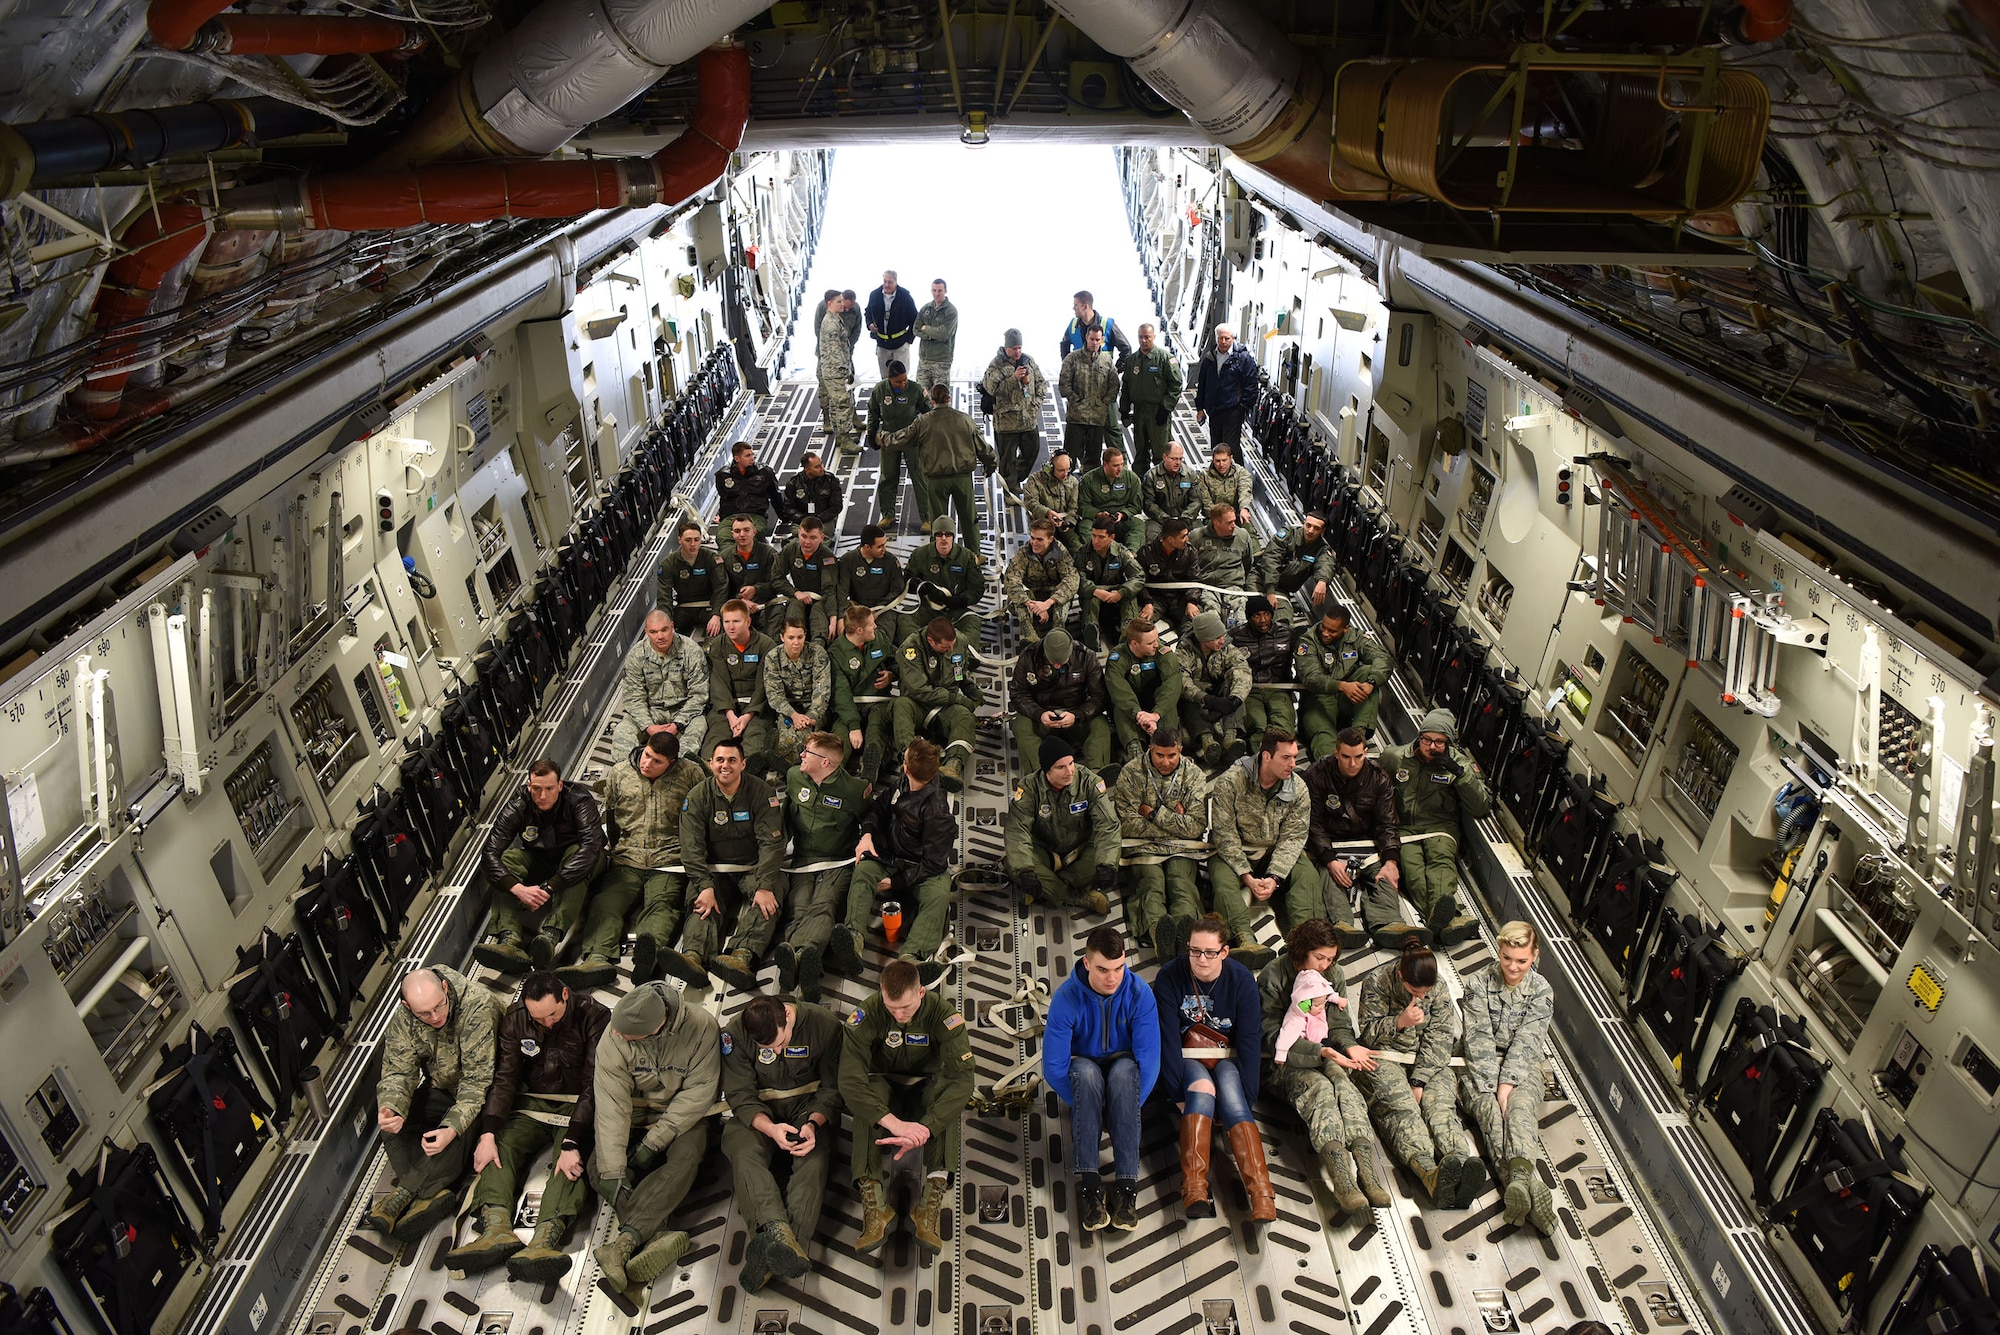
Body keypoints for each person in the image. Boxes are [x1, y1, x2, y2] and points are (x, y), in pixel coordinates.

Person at [448, 973, 611, 1278]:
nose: (547, 1023)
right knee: (500, 1147)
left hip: (579, 1104)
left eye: (552, 1014)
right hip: (533, 1101)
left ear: (566, 994)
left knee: (570, 1163)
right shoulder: (517, 1019)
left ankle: (543, 1241)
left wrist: (573, 1141)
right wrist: (488, 1131)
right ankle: (496, 1230)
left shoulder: (594, 1017)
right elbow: (506, 1077)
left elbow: (593, 1084)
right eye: (539, 1018)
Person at [838, 958, 975, 1255]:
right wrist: (893, 1123)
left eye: (906, 1008)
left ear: (921, 992)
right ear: (881, 993)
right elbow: (849, 1080)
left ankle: (928, 1206)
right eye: (891, 1008)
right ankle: (875, 1207)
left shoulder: (943, 1015)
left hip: (926, 1086)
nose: (899, 1015)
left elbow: (963, 1081)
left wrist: (927, 1127)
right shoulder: (867, 1014)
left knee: (948, 1106)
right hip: (885, 1088)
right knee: (865, 1098)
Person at [591, 983, 721, 1292]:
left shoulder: (702, 1027)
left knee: (686, 1160)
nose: (618, 1036)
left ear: (655, 1028)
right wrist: (613, 1169)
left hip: (686, 1117)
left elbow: (699, 1092)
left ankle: (624, 1243)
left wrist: (653, 1144)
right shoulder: (614, 1036)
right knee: (599, 1166)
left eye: (627, 1035)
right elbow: (612, 1106)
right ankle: (657, 1234)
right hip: (638, 1115)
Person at [1256, 920, 1386, 1217]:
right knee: (1321, 1090)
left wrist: (1348, 1045)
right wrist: (1321, 1051)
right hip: (1283, 1061)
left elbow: (1339, 1025)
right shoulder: (1273, 975)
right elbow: (1270, 1035)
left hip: (1325, 1053)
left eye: (1331, 958)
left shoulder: (1333, 975)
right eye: (1320, 958)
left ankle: (1367, 1169)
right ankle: (1342, 1179)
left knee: (1344, 1085)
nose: (1326, 965)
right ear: (1301, 951)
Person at [1151, 915, 1271, 1222]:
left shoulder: (1241, 979)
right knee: (1202, 1093)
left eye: (1209, 952)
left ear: (1224, 952)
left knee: (1233, 1100)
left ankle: (1261, 1195)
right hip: (1187, 1054)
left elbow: (1248, 1039)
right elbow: (1164, 1037)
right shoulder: (1169, 976)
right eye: (1194, 951)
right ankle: (1194, 1189)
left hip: (1226, 1055)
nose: (1201, 959)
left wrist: (1249, 1094)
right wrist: (1177, 1090)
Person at [722, 994, 845, 1291]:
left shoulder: (824, 1026)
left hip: (807, 1109)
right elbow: (739, 1095)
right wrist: (770, 1128)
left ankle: (778, 1253)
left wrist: (813, 1124)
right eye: (769, 1049)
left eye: (782, 1042)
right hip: (759, 1116)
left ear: (788, 1015)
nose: (777, 1051)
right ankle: (777, 1233)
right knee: (743, 1153)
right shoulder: (734, 1034)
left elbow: (834, 1086)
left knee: (813, 1161)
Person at [368, 967, 501, 1240]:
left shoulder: (477, 1006)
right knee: (393, 1126)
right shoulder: (404, 1019)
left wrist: (451, 1128)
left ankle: (404, 1194)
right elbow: (398, 1071)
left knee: (460, 1130)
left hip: (488, 1091)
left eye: (439, 1006)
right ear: (407, 1006)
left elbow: (477, 1083)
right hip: (443, 1087)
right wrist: (392, 1107)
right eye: (424, 1014)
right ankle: (433, 1189)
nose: (435, 1016)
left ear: (444, 986)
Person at [565, 731, 704, 989]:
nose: (647, 764)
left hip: (669, 858)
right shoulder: (620, 772)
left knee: (662, 906)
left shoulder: (691, 774)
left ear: (671, 762)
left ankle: (647, 956)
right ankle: (597, 959)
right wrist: (613, 849)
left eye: (656, 761)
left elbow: (700, 813)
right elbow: (610, 814)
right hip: (627, 857)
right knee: (606, 903)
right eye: (647, 755)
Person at [1044, 926, 1160, 1231]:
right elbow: (1054, 1068)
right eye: (1103, 969)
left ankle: (1126, 1190)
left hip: (1124, 1068)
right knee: (1085, 1073)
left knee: (1125, 1073)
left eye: (1119, 967)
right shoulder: (1066, 999)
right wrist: (1088, 1106)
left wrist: (1126, 1107)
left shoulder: (1140, 994)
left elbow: (1149, 1063)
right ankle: (1091, 1188)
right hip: (1085, 1068)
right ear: (1086, 963)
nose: (1113, 977)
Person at [1353, 941, 1483, 1208]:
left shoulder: (1439, 988)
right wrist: (1399, 1022)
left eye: (1426, 991)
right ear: (1401, 975)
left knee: (1440, 1108)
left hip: (1429, 1061)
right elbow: (1368, 1034)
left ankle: (1457, 1165)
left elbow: (1441, 1037)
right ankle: (1428, 1172)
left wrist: (1419, 1080)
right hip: (1385, 1056)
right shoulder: (1377, 982)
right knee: (1402, 1108)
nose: (1421, 997)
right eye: (1414, 991)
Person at [1459, 920, 1559, 1235]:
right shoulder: (1477, 983)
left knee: (1519, 1113)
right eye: (1506, 958)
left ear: (1534, 956)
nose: (1513, 967)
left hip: (1523, 1066)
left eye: (1521, 961)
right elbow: (1478, 1041)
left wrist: (1508, 1085)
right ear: (1498, 951)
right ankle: (1527, 1185)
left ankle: (1518, 1184)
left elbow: (1528, 1041)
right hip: (1479, 1065)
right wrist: (1492, 1088)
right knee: (1491, 1115)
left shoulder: (1541, 990)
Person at [834, 738, 957, 982]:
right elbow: (879, 808)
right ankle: (853, 937)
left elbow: (934, 863)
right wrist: (867, 834)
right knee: (864, 871)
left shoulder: (937, 811)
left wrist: (896, 882)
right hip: (890, 855)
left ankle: (912, 958)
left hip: (921, 869)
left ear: (907, 767)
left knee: (939, 896)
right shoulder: (902, 783)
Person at [671, 736, 786, 990]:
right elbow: (691, 848)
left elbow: (772, 843)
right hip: (715, 870)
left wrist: (765, 885)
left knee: (769, 900)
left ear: (743, 764)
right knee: (701, 904)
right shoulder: (698, 796)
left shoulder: (761, 793)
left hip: (753, 867)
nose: (726, 765)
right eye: (720, 760)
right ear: (711, 764)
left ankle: (742, 956)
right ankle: (693, 957)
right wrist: (704, 885)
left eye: (732, 760)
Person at [473, 760, 606, 974]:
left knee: (576, 857)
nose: (542, 796)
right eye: (536, 789)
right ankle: (509, 939)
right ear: (528, 785)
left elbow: (591, 847)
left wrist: (549, 887)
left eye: (549, 789)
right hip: (542, 859)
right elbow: (489, 853)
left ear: (560, 786)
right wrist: (517, 888)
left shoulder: (578, 800)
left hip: (583, 861)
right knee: (507, 859)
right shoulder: (518, 805)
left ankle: (550, 936)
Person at [1208, 729, 1322, 970]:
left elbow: (1293, 837)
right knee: (1221, 879)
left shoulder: (1298, 788)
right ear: (1266, 756)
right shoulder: (1231, 781)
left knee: (1307, 875)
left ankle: (1304, 941)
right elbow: (1224, 833)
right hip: (1237, 849)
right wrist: (1247, 877)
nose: (1293, 763)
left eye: (1294, 756)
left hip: (1274, 849)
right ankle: (1243, 939)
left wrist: (1274, 877)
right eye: (1286, 757)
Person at [1379, 708, 1488, 946]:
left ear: (1448, 743)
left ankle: (1440, 918)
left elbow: (1481, 806)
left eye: (1440, 742)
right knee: (1413, 872)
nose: (1431, 746)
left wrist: (1458, 773)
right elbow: (1376, 786)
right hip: (1405, 828)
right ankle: (1447, 922)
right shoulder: (1396, 757)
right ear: (1419, 737)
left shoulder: (1459, 765)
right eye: (1426, 739)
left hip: (1440, 828)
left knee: (1440, 867)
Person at [774, 732, 870, 1004]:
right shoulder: (794, 776)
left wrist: (867, 837)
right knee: (799, 907)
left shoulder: (854, 789)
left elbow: (872, 817)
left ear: (826, 762)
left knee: (824, 904)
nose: (801, 755)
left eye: (808, 752)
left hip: (838, 860)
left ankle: (802, 954)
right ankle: (798, 959)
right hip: (802, 859)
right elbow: (786, 815)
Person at [1305, 726, 1419, 950]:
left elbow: (1387, 823)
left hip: (1367, 843)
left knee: (1384, 877)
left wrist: (1391, 860)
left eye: (1358, 757)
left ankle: (1389, 924)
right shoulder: (1317, 774)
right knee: (1330, 879)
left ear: (1365, 752)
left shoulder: (1378, 778)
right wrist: (1329, 859)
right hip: (1330, 843)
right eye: (1346, 757)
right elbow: (1313, 823)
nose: (1352, 763)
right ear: (1336, 753)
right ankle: (1342, 925)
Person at [1111, 727, 1209, 958]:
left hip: (1182, 848)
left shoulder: (1194, 775)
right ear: (1150, 750)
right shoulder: (1131, 773)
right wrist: (1177, 818)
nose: (1166, 762)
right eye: (1160, 755)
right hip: (1142, 846)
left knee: (1180, 883)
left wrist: (1153, 814)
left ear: (1180, 751)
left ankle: (1185, 939)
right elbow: (1127, 824)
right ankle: (1159, 936)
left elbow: (1195, 825)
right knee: (1151, 883)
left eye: (1172, 756)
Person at [1005, 736, 1119, 915]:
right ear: (1046, 771)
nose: (1070, 771)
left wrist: (1107, 864)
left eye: (1072, 763)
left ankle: (1048, 889)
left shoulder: (1089, 782)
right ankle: (1080, 897)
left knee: (1106, 858)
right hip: (1045, 850)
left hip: (1080, 849)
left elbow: (1108, 826)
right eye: (1060, 767)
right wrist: (1025, 870)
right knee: (1016, 866)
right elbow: (1017, 831)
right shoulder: (1029, 788)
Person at [887, 382, 1000, 552]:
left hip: (935, 481)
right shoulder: (964, 419)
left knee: (938, 522)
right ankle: (974, 555)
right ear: (949, 398)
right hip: (962, 479)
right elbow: (982, 447)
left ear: (932, 401)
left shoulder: (922, 421)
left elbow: (900, 439)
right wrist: (990, 465)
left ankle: (938, 556)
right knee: (969, 518)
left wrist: (881, 437)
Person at [893, 616, 982, 792]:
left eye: (952, 645)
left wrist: (971, 689)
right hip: (917, 704)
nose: (950, 650)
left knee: (965, 716)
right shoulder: (911, 649)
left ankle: (952, 766)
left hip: (945, 708)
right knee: (900, 705)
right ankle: (910, 759)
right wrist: (956, 699)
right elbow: (920, 690)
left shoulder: (959, 641)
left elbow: (960, 671)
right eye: (945, 647)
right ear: (930, 641)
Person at [1295, 604, 1387, 755]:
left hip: (1345, 701)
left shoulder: (1355, 637)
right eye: (1323, 627)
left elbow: (1382, 658)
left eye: (1332, 631)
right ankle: (1330, 765)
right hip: (1318, 699)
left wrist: (1371, 683)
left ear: (1346, 629)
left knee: (1368, 673)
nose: (1325, 633)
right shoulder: (1307, 642)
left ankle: (1358, 737)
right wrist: (1341, 686)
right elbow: (1311, 677)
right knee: (1324, 736)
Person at [615, 610, 709, 756]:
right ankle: (631, 770)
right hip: (651, 711)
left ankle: (679, 766)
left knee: (699, 726)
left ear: (672, 626)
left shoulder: (691, 651)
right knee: (623, 731)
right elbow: (634, 698)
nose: (660, 636)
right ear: (646, 632)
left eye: (664, 630)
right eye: (653, 632)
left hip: (683, 710)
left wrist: (678, 724)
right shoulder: (636, 655)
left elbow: (699, 694)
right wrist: (648, 726)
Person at [1175, 610, 1252, 770]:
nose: (1222, 640)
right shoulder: (1184, 651)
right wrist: (1205, 699)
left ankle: (1230, 737)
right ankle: (1206, 740)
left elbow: (1241, 670)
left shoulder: (1226, 647)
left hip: (1219, 691)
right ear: (1203, 639)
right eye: (1216, 638)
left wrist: (1235, 698)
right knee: (1185, 698)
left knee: (1235, 690)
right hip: (1199, 697)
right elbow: (1181, 680)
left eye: (1222, 635)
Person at [829, 602, 897, 781]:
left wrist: (892, 674)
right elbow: (840, 694)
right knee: (839, 741)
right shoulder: (836, 653)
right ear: (859, 630)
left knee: (877, 733)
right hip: (850, 705)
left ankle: (870, 772)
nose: (875, 625)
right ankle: (832, 776)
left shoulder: (879, 638)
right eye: (871, 624)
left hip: (878, 701)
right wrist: (853, 726)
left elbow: (896, 660)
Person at [703, 599, 776, 764]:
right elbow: (718, 683)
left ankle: (748, 768)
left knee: (756, 737)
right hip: (725, 708)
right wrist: (731, 716)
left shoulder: (766, 645)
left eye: (736, 621)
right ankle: (711, 769)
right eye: (726, 622)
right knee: (716, 736)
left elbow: (764, 685)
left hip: (757, 708)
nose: (731, 626)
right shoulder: (717, 646)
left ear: (748, 621)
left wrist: (747, 716)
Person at [1104, 616, 1183, 760]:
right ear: (1134, 644)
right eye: (1150, 643)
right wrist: (1140, 715)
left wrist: (1156, 715)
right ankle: (1135, 750)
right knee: (1121, 705)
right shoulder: (1117, 658)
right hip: (1132, 706)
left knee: (1168, 702)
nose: (1156, 645)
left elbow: (1172, 684)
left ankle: (1169, 744)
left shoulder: (1163, 653)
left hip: (1155, 701)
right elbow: (1120, 691)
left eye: (1156, 639)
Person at [865, 360, 931, 527]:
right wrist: (871, 433)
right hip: (889, 439)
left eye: (904, 380)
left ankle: (926, 518)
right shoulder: (880, 390)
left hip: (912, 439)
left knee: (919, 477)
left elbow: (929, 413)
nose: (902, 384)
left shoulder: (915, 390)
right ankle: (888, 515)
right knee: (888, 478)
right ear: (889, 379)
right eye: (898, 381)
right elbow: (873, 412)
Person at [981, 330, 1048, 489]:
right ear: (1006, 348)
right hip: (1007, 423)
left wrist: (1036, 403)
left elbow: (1040, 383)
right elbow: (992, 390)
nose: (1018, 351)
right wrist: (1013, 378)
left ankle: (1013, 479)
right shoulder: (996, 364)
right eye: (1014, 348)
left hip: (1028, 419)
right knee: (1007, 459)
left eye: (1019, 347)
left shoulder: (1028, 361)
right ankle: (1010, 489)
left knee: (1032, 452)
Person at [764, 617, 831, 769]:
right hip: (788, 710)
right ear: (782, 637)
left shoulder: (817, 653)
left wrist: (812, 716)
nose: (796, 642)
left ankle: (787, 766)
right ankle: (782, 763)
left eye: (800, 637)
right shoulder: (773, 658)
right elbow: (774, 694)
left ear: (805, 636)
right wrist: (794, 715)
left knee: (806, 738)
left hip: (814, 709)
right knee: (786, 739)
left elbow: (822, 689)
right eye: (791, 637)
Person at [904, 516, 986, 639]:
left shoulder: (966, 557)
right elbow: (907, 582)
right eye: (939, 534)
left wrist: (961, 600)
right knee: (905, 618)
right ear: (934, 536)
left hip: (955, 610)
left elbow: (977, 588)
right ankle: (916, 650)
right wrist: (918, 586)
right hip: (928, 609)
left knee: (973, 622)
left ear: (953, 536)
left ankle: (962, 653)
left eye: (948, 534)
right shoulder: (920, 555)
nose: (943, 539)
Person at [1119, 322, 1182, 477]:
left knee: (1161, 451)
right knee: (1140, 451)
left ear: (1153, 336)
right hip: (1139, 411)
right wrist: (1125, 408)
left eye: (1147, 337)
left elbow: (1176, 384)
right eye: (1140, 337)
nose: (1143, 340)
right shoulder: (1132, 360)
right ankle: (1141, 483)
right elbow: (1126, 385)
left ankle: (1163, 484)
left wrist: (1166, 407)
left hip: (1158, 412)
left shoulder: (1165, 359)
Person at [1074, 514, 1142, 652]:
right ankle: (1091, 632)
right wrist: (1095, 590)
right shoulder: (1083, 552)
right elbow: (1077, 578)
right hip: (1095, 595)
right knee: (1090, 598)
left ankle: (1128, 633)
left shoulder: (1121, 552)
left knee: (1130, 596)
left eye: (1101, 537)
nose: (1095, 541)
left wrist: (1121, 592)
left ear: (1111, 538)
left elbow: (1138, 576)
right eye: (1093, 535)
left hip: (1115, 597)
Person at [1001, 519, 1077, 642]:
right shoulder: (1024, 552)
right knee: (1019, 594)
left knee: (1064, 595)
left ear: (1050, 539)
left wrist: (1048, 603)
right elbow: (1011, 580)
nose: (1034, 543)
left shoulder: (1060, 552)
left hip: (1052, 597)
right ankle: (1029, 633)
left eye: (1039, 539)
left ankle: (1058, 632)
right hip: (1031, 597)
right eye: (1032, 538)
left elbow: (1071, 579)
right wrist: (1031, 604)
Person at [1057, 325, 1121, 471]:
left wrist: (1104, 403)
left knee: (1093, 461)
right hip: (1076, 417)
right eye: (1092, 339)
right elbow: (1064, 385)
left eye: (1097, 339)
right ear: (1086, 337)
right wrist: (1076, 400)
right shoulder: (1072, 359)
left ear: (1102, 340)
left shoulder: (1107, 361)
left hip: (1097, 418)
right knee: (1068, 459)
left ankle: (1088, 490)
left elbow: (1114, 385)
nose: (1094, 342)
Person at [833, 525, 907, 648]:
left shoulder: (890, 561)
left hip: (883, 610)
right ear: (867, 547)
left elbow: (898, 588)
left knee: (881, 639)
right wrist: (841, 617)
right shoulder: (848, 561)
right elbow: (842, 591)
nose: (884, 549)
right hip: (857, 608)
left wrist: (878, 607)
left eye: (885, 544)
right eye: (880, 546)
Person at [1232, 596, 1296, 737]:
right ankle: (1261, 757)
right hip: (1251, 690)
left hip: (1278, 688)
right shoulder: (1235, 637)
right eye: (1256, 616)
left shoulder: (1287, 633)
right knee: (1258, 725)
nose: (1263, 620)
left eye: (1266, 614)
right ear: (1249, 617)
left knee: (1283, 727)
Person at [1193, 324, 1258, 455]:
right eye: (1220, 338)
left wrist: (1241, 409)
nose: (1223, 342)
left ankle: (1238, 474)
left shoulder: (1243, 359)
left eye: (1227, 338)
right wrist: (1200, 408)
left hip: (1233, 412)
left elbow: (1252, 387)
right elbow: (1203, 384)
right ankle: (1217, 474)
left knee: (1231, 448)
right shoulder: (1209, 358)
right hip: (1214, 410)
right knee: (1216, 447)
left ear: (1233, 338)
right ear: (1216, 338)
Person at [771, 515, 838, 641]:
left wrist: (833, 618)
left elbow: (829, 590)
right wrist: (795, 592)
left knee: (820, 626)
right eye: (804, 536)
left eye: (813, 537)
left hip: (820, 600)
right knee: (794, 610)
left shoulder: (827, 558)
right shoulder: (790, 549)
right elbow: (776, 578)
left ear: (821, 538)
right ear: (798, 534)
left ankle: (818, 653)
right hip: (798, 597)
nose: (807, 542)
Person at [1190, 502, 1258, 622]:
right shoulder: (1197, 537)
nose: (1233, 525)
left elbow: (1248, 562)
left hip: (1233, 587)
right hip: (1207, 586)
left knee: (1241, 619)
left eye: (1234, 521)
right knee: (1212, 619)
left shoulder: (1242, 536)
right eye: (1229, 522)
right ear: (1216, 523)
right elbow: (1189, 564)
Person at [1134, 516, 1202, 635]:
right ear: (1170, 539)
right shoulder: (1146, 552)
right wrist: (1147, 602)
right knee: (1139, 625)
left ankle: (1185, 648)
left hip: (1179, 598)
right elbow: (1138, 581)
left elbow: (1195, 580)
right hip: (1155, 598)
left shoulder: (1190, 552)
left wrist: (1191, 601)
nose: (1187, 539)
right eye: (1183, 536)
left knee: (1196, 622)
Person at [656, 520, 723, 637]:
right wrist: (667, 623)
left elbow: (721, 588)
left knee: (722, 628)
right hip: (684, 608)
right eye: (688, 540)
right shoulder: (668, 564)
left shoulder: (711, 558)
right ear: (679, 540)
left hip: (709, 607)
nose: (693, 544)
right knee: (662, 632)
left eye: (696, 540)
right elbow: (664, 597)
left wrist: (716, 614)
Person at [1260, 509, 1336, 606]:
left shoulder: (1322, 549)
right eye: (1308, 525)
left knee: (1282, 618)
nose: (1311, 531)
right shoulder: (1288, 535)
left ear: (1323, 531)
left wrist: (1322, 581)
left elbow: (1326, 563)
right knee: (1258, 608)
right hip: (1261, 579)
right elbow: (1271, 559)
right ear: (1303, 524)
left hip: (1282, 590)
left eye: (1316, 528)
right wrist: (1270, 590)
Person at [1076, 443, 1144, 550]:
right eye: (1116, 465)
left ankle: (1131, 555)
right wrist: (1098, 514)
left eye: (1122, 464)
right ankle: (1094, 554)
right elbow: (1082, 505)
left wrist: (1123, 514)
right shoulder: (1089, 479)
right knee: (1085, 526)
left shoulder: (1131, 478)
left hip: (1121, 520)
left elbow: (1136, 506)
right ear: (1105, 464)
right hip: (1098, 520)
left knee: (1138, 525)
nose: (1120, 469)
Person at [818, 295, 861, 457]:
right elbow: (835, 352)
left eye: (843, 301)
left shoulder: (835, 319)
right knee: (843, 404)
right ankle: (845, 439)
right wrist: (846, 372)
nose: (842, 304)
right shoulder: (830, 324)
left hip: (839, 369)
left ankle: (842, 436)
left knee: (837, 404)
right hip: (837, 372)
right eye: (839, 301)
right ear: (830, 303)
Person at [720, 514, 780, 624]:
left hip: (765, 605)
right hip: (737, 607)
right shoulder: (725, 557)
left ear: (754, 532)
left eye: (746, 530)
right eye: (737, 531)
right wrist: (740, 601)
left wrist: (756, 589)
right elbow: (722, 589)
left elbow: (777, 584)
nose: (742, 535)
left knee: (778, 612)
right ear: (732, 534)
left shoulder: (769, 554)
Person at [716, 440, 781, 538]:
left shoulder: (764, 472)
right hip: (731, 516)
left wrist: (784, 518)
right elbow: (723, 497)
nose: (752, 458)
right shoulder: (723, 475)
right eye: (747, 456)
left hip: (755, 515)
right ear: (737, 458)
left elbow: (775, 497)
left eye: (752, 455)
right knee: (723, 537)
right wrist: (722, 518)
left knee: (751, 535)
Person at [1141, 441, 1204, 543]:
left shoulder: (1190, 474)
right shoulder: (1151, 476)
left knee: (1200, 536)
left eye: (1180, 459)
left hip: (1186, 519)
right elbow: (1149, 503)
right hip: (1159, 520)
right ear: (1164, 457)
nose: (1178, 462)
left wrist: (1184, 519)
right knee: (1152, 538)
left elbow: (1196, 500)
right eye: (1174, 459)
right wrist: (1166, 519)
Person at [864, 270, 919, 382]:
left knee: (901, 378)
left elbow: (915, 319)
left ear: (896, 282)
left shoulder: (905, 296)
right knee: (885, 380)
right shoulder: (874, 295)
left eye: (890, 282)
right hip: (882, 344)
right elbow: (868, 312)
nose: (887, 285)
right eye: (885, 281)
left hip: (900, 345)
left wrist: (908, 340)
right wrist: (870, 324)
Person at [1021, 452, 1080, 547]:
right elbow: (1030, 502)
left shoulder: (1073, 482)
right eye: (1061, 470)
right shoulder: (1035, 480)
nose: (1065, 474)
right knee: (1044, 547)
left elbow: (1073, 507)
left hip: (1063, 521)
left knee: (1077, 545)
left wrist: (1068, 522)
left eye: (1067, 470)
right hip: (1042, 522)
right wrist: (1047, 512)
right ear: (1051, 468)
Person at [780, 450, 845, 533]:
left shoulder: (830, 480)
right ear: (807, 470)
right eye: (817, 467)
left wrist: (817, 519)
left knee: (818, 536)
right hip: (801, 522)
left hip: (824, 521)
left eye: (821, 464)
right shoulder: (794, 483)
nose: (822, 468)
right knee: (800, 537)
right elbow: (788, 508)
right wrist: (804, 519)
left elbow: (836, 506)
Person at [1058, 290, 1131, 363]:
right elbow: (1064, 346)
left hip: (1102, 373)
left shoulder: (1107, 324)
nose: (1073, 308)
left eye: (1076, 305)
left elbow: (1126, 349)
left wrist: (1115, 371)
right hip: (1079, 374)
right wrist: (1068, 367)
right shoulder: (1072, 325)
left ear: (1085, 306)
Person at [912, 278, 958, 392]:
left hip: (941, 361)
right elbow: (916, 329)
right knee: (922, 395)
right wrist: (931, 335)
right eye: (934, 290)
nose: (936, 294)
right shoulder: (926, 308)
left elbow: (944, 334)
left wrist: (926, 328)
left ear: (945, 291)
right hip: (924, 360)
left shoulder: (950, 311)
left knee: (940, 397)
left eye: (940, 291)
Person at [1193, 442, 1252, 531]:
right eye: (1218, 461)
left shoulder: (1241, 473)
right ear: (1213, 460)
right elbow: (1206, 503)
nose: (1221, 465)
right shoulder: (1204, 476)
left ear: (1231, 458)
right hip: (1214, 518)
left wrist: (1244, 508)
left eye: (1224, 460)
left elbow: (1244, 490)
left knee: (1249, 532)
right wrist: (1224, 520)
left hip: (1236, 516)